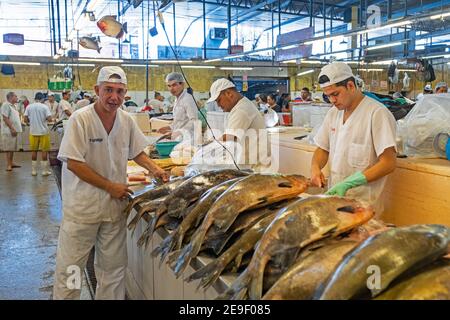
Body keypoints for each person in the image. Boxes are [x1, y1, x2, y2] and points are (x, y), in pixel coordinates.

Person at [53, 66, 168, 300]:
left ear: (125, 93)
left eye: (119, 91)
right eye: (108, 90)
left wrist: (155, 169)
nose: (114, 97)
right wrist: (110, 186)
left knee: (113, 270)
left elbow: (137, 152)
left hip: (113, 209)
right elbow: (74, 163)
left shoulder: (126, 120)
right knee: (72, 270)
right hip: (82, 209)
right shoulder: (80, 120)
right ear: (97, 90)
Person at [310, 62, 397, 214]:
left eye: (335, 94)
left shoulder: (376, 113)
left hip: (363, 206)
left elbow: (388, 163)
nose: (332, 100)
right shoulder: (333, 113)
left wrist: (350, 183)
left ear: (350, 86)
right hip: (335, 200)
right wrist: (315, 168)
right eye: (328, 96)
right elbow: (322, 149)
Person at [207, 78, 268, 169]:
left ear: (229, 94)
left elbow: (228, 137)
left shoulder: (242, 110)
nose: (218, 105)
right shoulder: (238, 107)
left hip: (255, 169)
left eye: (219, 100)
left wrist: (205, 149)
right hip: (247, 166)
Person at [158, 72, 199, 140]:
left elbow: (194, 121)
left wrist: (179, 132)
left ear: (182, 84)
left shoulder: (187, 98)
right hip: (179, 138)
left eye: (174, 85)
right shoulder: (177, 99)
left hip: (188, 138)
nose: (171, 89)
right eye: (169, 86)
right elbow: (179, 121)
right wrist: (169, 127)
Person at [24, 92, 53, 176]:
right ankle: (44, 171)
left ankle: (33, 171)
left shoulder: (29, 106)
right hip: (43, 132)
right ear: (42, 99)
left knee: (34, 151)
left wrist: (32, 121)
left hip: (33, 132)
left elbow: (25, 119)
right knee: (44, 151)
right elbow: (50, 119)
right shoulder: (44, 107)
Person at [1, 92, 22, 171]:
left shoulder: (14, 106)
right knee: (9, 148)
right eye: (16, 96)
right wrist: (12, 128)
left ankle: (11, 162)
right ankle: (9, 164)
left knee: (12, 147)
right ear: (11, 97)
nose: (17, 98)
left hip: (13, 130)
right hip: (8, 130)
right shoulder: (6, 105)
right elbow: (5, 118)